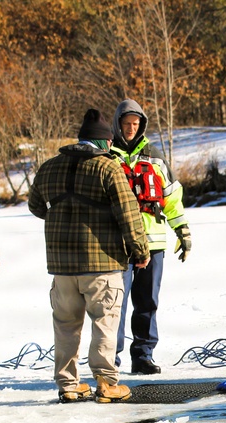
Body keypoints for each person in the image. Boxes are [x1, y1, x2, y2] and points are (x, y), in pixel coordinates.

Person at [28, 109, 149, 403]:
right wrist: (140, 250)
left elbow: (34, 205)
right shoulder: (108, 168)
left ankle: (69, 384)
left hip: (61, 266)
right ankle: (106, 383)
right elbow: (129, 213)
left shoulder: (49, 167)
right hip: (102, 264)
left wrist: (58, 219)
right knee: (104, 322)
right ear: (105, 142)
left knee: (66, 325)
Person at [110, 99, 191, 375]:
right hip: (118, 245)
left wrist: (183, 231)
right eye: (126, 124)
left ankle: (143, 355)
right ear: (118, 124)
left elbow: (171, 198)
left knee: (147, 303)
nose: (131, 128)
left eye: (136, 124)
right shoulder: (108, 156)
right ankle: (111, 358)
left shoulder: (154, 155)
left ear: (141, 125)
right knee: (115, 304)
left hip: (153, 243)